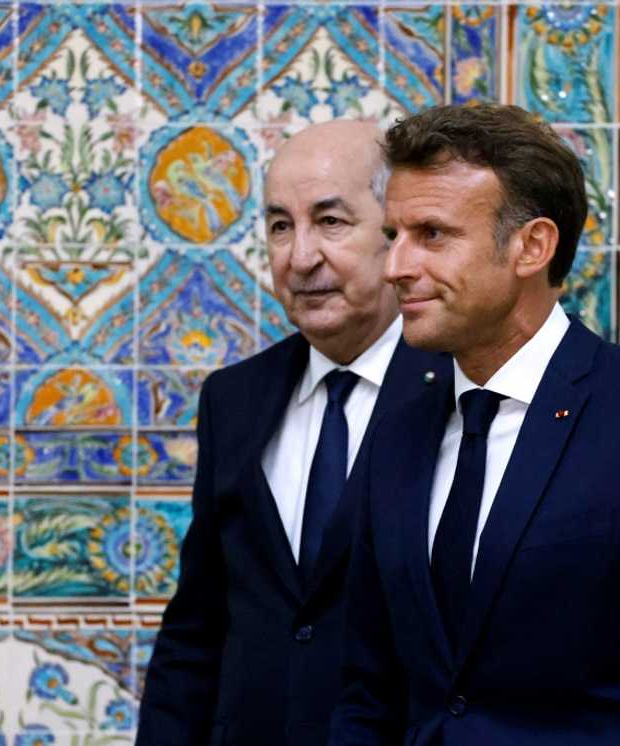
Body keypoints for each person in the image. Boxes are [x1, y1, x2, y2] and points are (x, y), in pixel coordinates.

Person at [330, 104, 620, 745]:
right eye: (394, 235)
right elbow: (368, 688)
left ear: (533, 246)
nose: (395, 267)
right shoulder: (397, 429)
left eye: (432, 234)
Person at [136, 120, 446, 746]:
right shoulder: (234, 399)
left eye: (330, 222)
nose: (300, 257)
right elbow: (198, 627)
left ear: (395, 234)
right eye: (281, 227)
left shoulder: (459, 392)